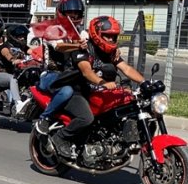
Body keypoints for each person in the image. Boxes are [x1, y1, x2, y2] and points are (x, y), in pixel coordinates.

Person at [51, 15, 145, 159]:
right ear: (97, 34)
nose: (111, 40)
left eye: (114, 37)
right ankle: (60, 138)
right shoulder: (83, 49)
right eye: (108, 36)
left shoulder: (111, 52)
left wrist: (144, 83)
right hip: (77, 91)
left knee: (128, 105)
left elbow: (126, 69)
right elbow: (86, 72)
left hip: (98, 93)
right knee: (86, 118)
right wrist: (103, 83)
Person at [34, 0, 89, 135]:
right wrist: (77, 45)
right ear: (62, 13)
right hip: (51, 75)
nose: (74, 16)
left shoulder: (81, 31)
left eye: (76, 13)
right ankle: (45, 117)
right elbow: (59, 47)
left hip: (71, 75)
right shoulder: (52, 30)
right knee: (67, 91)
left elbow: (93, 41)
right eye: (70, 13)